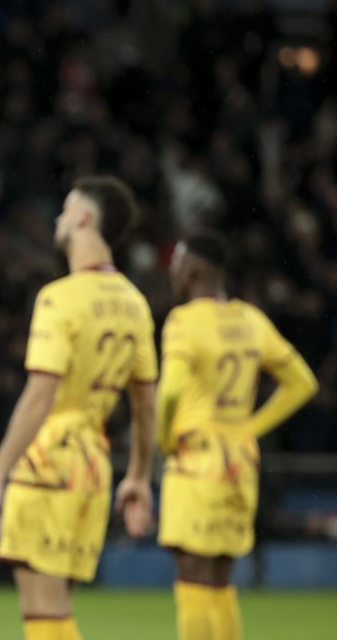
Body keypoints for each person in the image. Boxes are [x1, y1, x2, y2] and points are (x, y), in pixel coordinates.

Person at [0, 176, 158, 640]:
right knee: (57, 610)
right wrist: (136, 476)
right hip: (94, 463)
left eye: (65, 208)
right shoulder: (135, 304)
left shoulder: (60, 297)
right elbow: (146, 406)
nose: (58, 217)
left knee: (41, 611)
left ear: (83, 218)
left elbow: (41, 394)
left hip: (51, 458)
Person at [156, 230, 317, 640]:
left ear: (192, 270)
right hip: (240, 460)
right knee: (221, 578)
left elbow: (171, 389)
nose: (171, 268)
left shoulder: (184, 321)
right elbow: (302, 383)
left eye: (176, 261)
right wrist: (252, 427)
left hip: (197, 457)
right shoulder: (251, 319)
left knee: (191, 573)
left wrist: (163, 437)